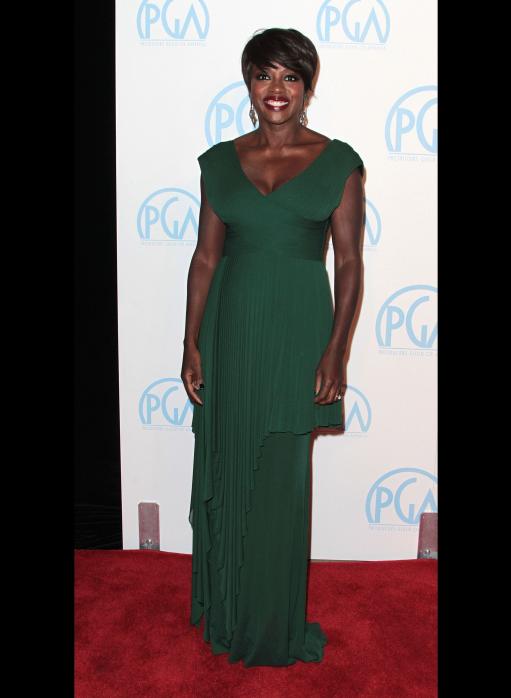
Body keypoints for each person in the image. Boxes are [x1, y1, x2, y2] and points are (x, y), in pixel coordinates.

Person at [182, 27, 364, 667]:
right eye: (264, 75)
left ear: (308, 85)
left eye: (290, 76)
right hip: (230, 337)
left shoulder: (340, 162)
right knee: (231, 472)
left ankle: (273, 627)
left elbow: (349, 263)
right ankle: (228, 615)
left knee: (281, 482)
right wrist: (190, 343)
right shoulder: (219, 160)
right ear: (249, 83)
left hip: (297, 339)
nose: (276, 89)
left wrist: (336, 351)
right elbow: (205, 259)